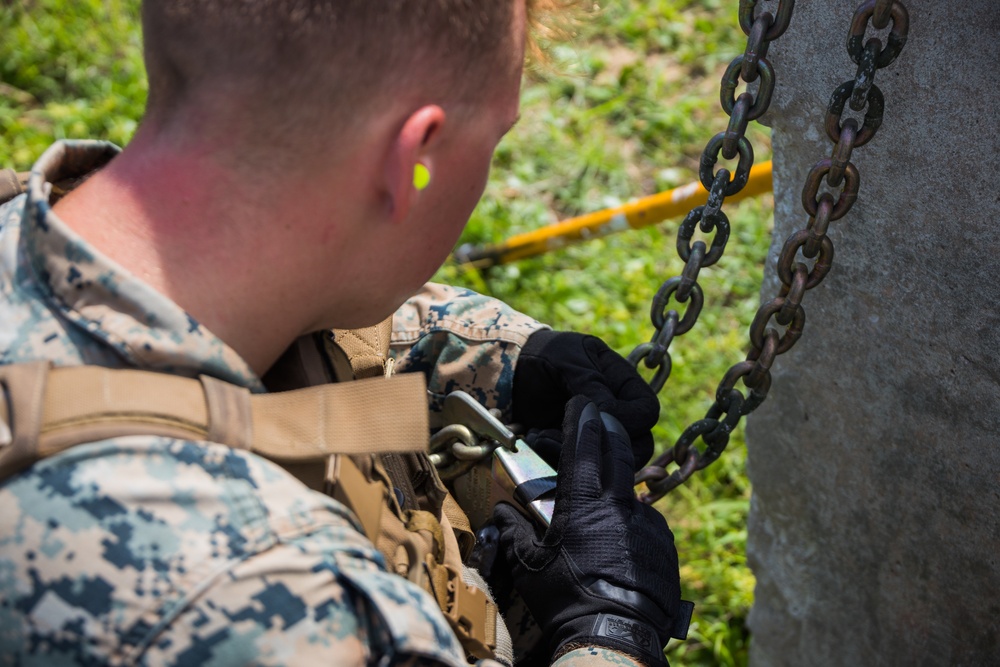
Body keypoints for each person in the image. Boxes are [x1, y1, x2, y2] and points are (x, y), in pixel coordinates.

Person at [0, 1, 682, 665]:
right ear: (412, 158)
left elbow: (286, 323)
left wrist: (496, 360)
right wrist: (611, 632)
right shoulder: (276, 607)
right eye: (494, 139)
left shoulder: (39, 233)